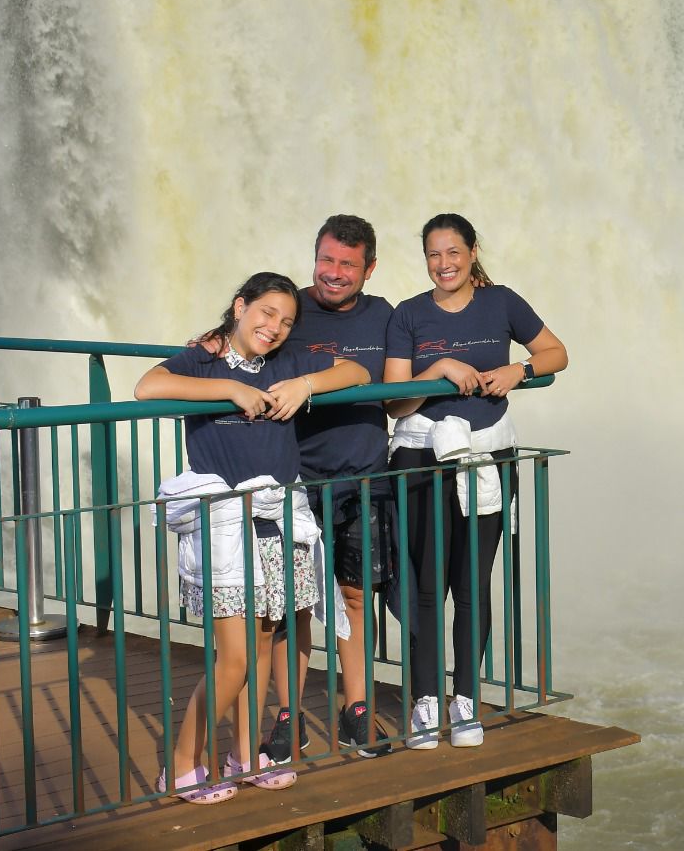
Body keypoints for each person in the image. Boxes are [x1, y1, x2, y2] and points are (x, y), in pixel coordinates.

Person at [138, 272, 369, 803]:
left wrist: (306, 384)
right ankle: (181, 765)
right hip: (223, 524)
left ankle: (245, 754)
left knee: (265, 642)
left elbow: (356, 370)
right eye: (265, 313)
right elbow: (148, 387)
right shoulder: (204, 359)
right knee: (236, 657)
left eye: (286, 321)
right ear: (239, 307)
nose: (274, 327)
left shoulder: (286, 362)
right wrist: (229, 388)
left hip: (277, 519)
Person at [383, 214, 566, 749]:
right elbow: (394, 401)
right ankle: (423, 702)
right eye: (434, 255)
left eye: (454, 253)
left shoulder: (502, 302)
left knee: (471, 583)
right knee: (424, 585)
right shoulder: (408, 315)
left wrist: (520, 372)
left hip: (488, 456)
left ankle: (465, 701)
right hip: (421, 458)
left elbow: (556, 352)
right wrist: (437, 367)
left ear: (472, 252)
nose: (444, 264)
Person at [267, 215, 396, 761]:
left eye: (347, 263)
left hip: (362, 477)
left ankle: (355, 711)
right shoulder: (288, 310)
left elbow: (395, 371)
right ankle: (288, 717)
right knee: (291, 604)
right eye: (326, 259)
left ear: (369, 268)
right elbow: (240, 337)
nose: (334, 272)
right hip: (295, 478)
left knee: (355, 596)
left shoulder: (386, 315)